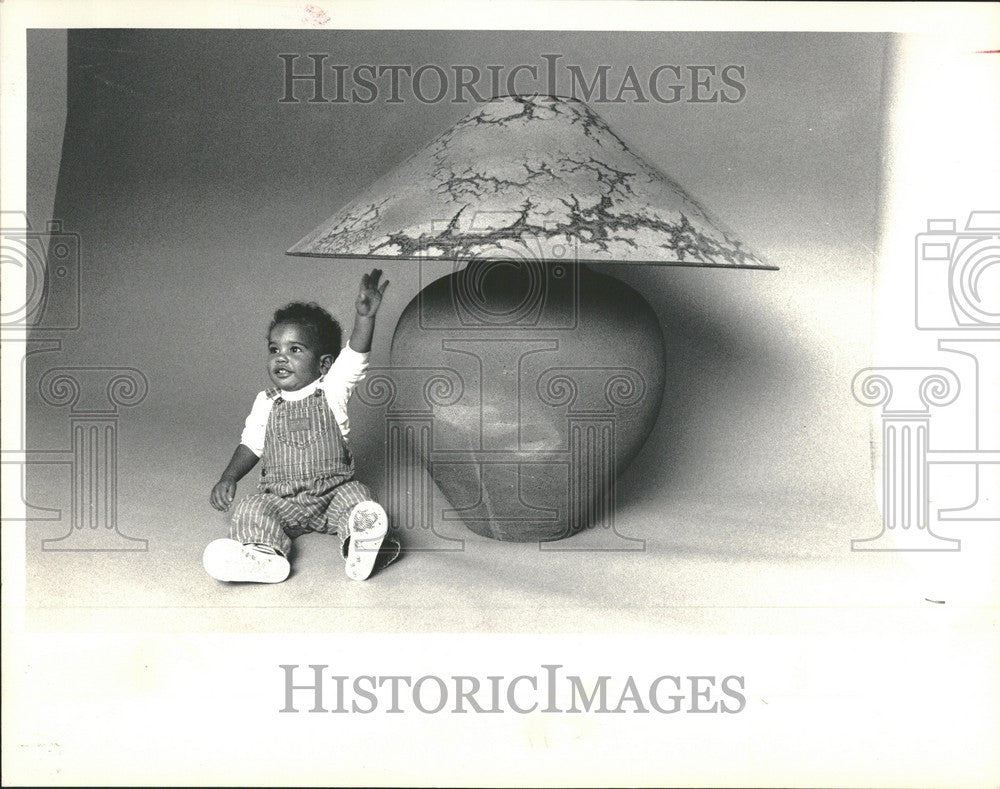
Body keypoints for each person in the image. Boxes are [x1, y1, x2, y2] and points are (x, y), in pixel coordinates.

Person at [203, 268, 398, 583]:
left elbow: (355, 356)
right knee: (251, 508)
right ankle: (263, 557)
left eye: (295, 350)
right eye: (274, 349)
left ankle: (361, 546)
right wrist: (229, 477)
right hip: (282, 500)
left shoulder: (332, 388)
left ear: (323, 364)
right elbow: (251, 445)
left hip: (333, 493)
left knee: (359, 499)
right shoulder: (265, 402)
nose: (281, 357)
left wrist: (365, 318)